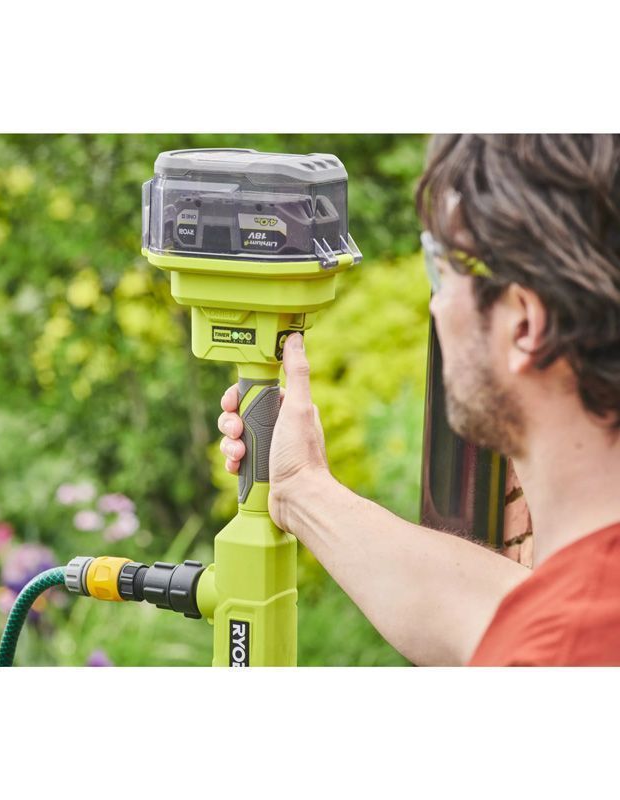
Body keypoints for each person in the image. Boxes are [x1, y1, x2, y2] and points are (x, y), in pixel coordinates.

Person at [217, 134, 620, 666]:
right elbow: (502, 610)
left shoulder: (562, 652)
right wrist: (301, 489)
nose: (435, 306)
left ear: (524, 325)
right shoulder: (586, 610)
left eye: (441, 270)